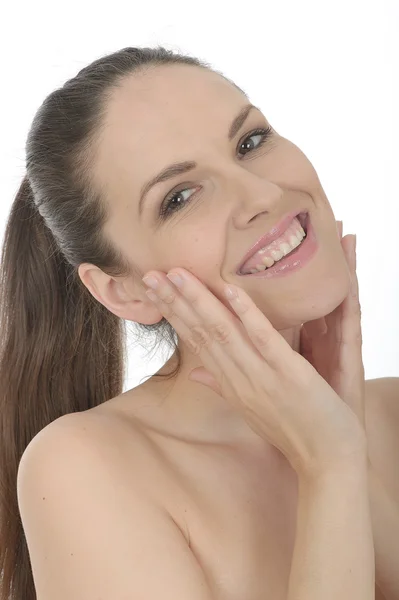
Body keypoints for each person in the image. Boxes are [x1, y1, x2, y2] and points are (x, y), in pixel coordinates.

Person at [0, 45, 398, 600]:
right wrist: (328, 469)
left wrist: (347, 451)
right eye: (180, 197)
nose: (262, 194)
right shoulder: (86, 470)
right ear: (124, 291)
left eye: (250, 142)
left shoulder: (392, 414)